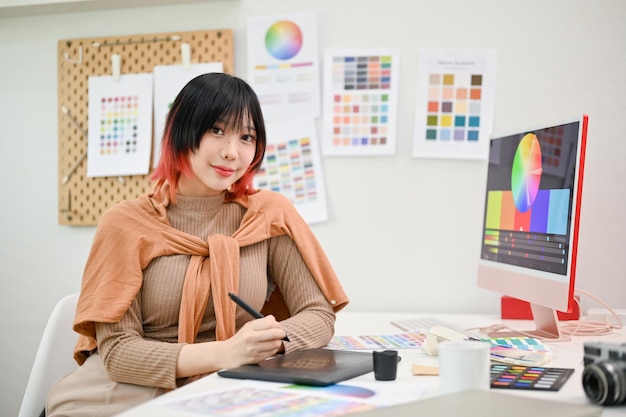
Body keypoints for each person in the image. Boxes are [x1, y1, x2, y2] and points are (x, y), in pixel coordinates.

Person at [46, 72, 349, 416]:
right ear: (181, 132)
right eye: (216, 130)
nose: (232, 152)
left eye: (246, 136)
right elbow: (118, 352)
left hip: (228, 388)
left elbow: (318, 314)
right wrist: (227, 353)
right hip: (129, 392)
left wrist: (265, 342)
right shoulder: (126, 223)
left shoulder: (266, 214)